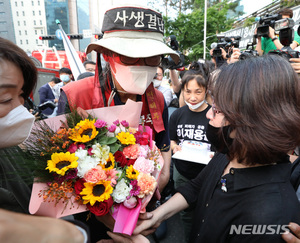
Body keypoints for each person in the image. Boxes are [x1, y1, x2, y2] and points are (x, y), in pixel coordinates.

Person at [133, 54, 300, 242]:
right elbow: (197, 187)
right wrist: (157, 216)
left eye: (218, 110)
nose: (209, 115)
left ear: (253, 119)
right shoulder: (233, 152)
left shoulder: (270, 216)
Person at [57, 3, 179, 241]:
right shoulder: (75, 96)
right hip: (93, 211)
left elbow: (163, 152)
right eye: (129, 57)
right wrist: (109, 219)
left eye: (150, 57)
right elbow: (60, 171)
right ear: (108, 56)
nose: (141, 64)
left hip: (143, 207)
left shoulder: (158, 99)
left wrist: (146, 198)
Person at [0, 37, 90, 243]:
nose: (20, 108)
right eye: (5, 99)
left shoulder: (12, 147)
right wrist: (75, 234)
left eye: (22, 95)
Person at [169, 73, 211, 242]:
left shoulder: (213, 115)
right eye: (188, 92)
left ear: (206, 91)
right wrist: (174, 146)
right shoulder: (177, 114)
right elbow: (172, 139)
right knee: (186, 213)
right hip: (182, 171)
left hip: (207, 173)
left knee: (207, 211)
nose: (192, 97)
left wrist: (214, 154)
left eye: (198, 92)